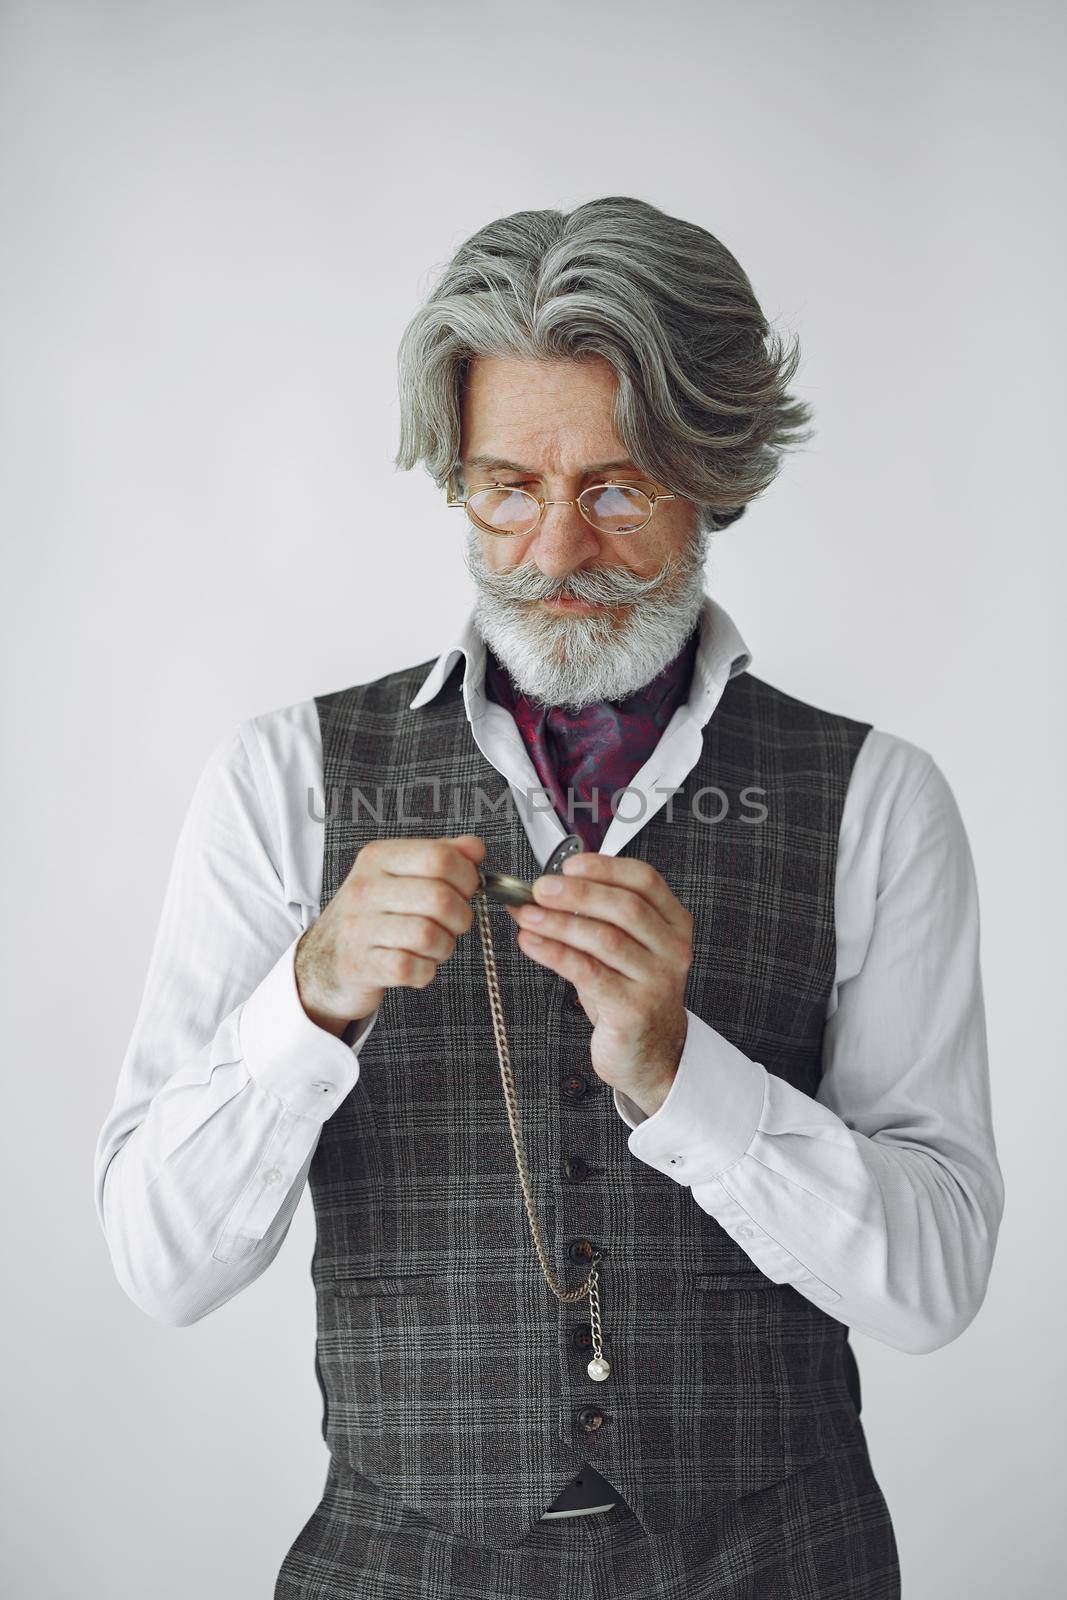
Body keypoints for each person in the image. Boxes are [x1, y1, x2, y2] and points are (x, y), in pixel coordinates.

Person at [93, 196, 1004, 1599]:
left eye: (620, 489)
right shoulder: (281, 778)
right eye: (508, 485)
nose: (556, 553)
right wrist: (309, 1000)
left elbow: (935, 1284)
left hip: (784, 1565)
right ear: (454, 476)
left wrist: (681, 1070)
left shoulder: (878, 798)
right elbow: (162, 1264)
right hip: (394, 1565)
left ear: (718, 473)